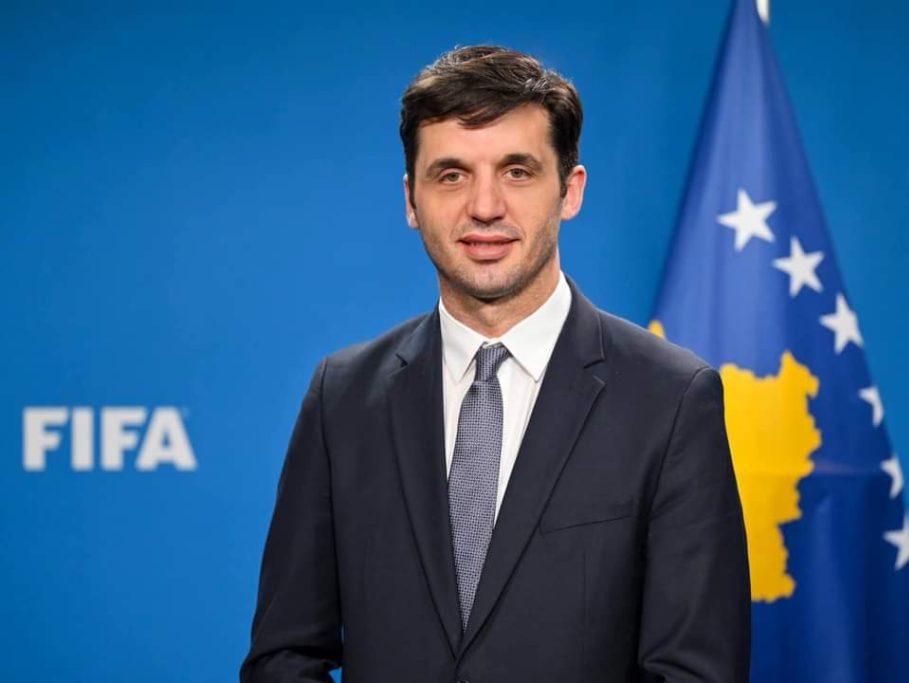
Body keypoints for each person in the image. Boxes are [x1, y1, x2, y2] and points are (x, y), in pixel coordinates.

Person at [240, 45, 750, 683]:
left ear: (569, 190)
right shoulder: (342, 397)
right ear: (411, 199)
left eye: (517, 171)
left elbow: (695, 672)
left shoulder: (671, 399)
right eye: (451, 175)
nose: (484, 206)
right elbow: (285, 656)